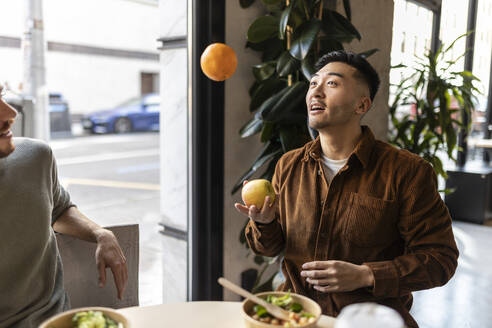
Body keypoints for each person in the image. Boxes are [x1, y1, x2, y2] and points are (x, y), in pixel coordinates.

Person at [235, 50, 458, 328]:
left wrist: (366, 275)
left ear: (361, 105)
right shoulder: (288, 165)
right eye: (313, 83)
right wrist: (265, 223)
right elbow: (268, 248)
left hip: (368, 322)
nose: (316, 91)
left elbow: (440, 259)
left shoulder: (407, 172)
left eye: (332, 83)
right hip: (297, 318)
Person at [0, 85, 128, 328]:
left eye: (1, 96)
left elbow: (58, 209)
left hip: (56, 320)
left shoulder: (35, 157)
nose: (10, 114)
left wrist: (101, 234)